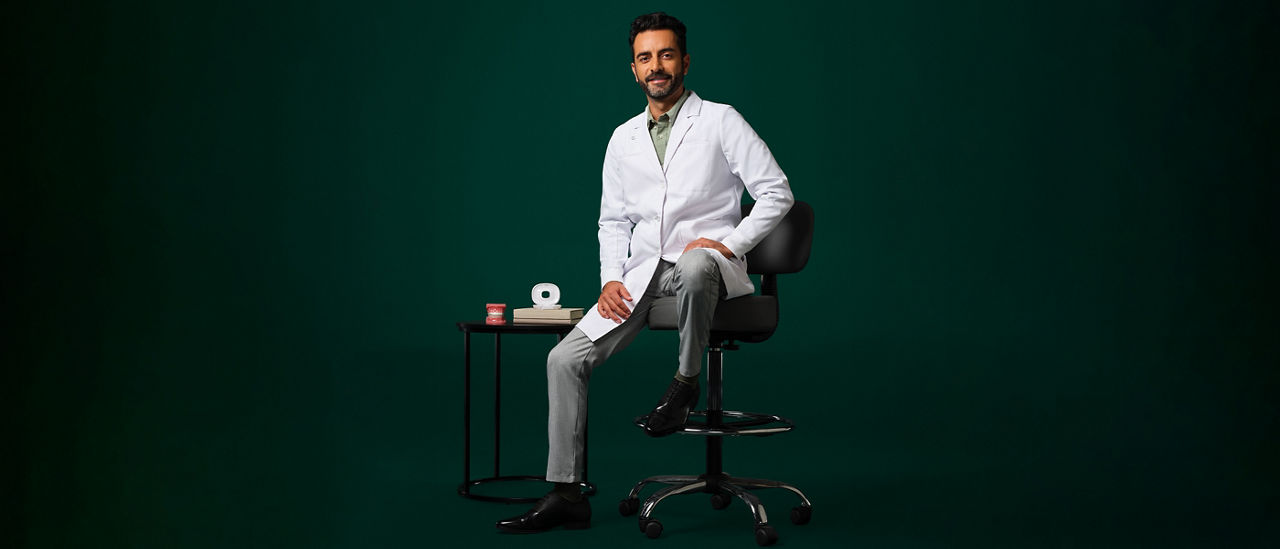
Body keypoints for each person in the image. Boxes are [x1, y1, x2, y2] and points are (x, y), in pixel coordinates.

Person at [496, 12, 794, 534]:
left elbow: (777, 193)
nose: (657, 66)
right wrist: (612, 277)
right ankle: (567, 493)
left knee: (700, 261)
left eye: (666, 54)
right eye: (645, 57)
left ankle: (684, 386)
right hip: (641, 275)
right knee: (563, 359)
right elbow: (612, 220)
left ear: (685, 60)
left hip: (707, 270)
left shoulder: (721, 120)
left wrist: (728, 242)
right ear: (633, 70)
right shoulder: (623, 138)